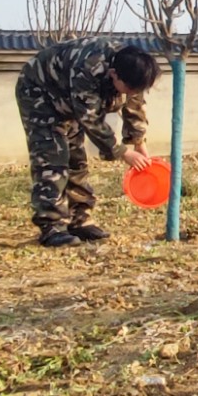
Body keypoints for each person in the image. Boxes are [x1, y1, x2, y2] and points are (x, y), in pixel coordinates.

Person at [15, 37, 159, 248]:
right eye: (127, 89)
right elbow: (90, 118)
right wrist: (121, 152)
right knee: (53, 159)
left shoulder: (132, 68)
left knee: (76, 159)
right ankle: (52, 227)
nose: (130, 94)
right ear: (113, 75)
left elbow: (134, 103)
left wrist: (138, 142)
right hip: (39, 93)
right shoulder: (89, 67)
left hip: (68, 97)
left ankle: (79, 220)